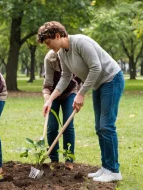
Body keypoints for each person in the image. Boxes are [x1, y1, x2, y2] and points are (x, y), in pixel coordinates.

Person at [37, 21, 125, 182]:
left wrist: (81, 93)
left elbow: (96, 67)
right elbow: (65, 78)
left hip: (111, 80)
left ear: (57, 35)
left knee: (107, 126)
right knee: (99, 127)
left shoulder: (80, 42)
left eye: (49, 43)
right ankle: (106, 167)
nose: (48, 47)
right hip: (99, 85)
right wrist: (50, 100)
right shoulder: (62, 53)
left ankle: (114, 170)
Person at [43, 50, 81, 170]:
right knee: (52, 126)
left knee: (68, 125)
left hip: (70, 93)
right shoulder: (50, 58)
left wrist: (80, 95)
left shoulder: (75, 56)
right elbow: (47, 84)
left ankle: (69, 159)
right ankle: (54, 159)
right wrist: (47, 101)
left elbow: (81, 79)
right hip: (53, 95)